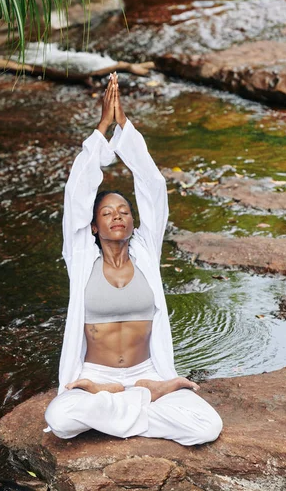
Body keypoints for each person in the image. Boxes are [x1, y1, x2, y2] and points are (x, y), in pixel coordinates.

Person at [44, 73, 222, 445]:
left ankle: (126, 400)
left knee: (208, 426)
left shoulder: (145, 251)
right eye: (107, 213)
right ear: (92, 226)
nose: (118, 217)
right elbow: (76, 190)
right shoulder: (79, 256)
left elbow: (153, 185)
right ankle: (142, 400)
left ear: (133, 220)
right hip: (94, 374)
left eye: (124, 211)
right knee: (59, 418)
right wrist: (103, 127)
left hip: (148, 370)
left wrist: (124, 124)